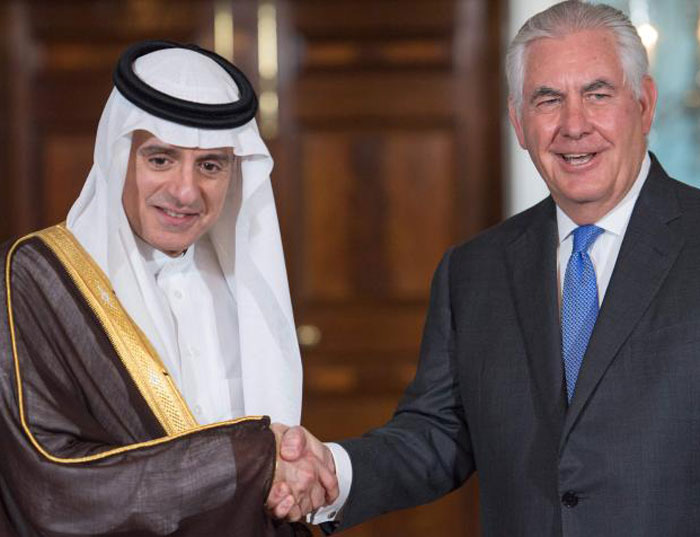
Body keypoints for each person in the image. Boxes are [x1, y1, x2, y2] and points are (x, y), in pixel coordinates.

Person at [270, 1, 700, 535]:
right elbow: (438, 435)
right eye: (548, 100)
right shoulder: (474, 271)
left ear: (645, 104)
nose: (573, 125)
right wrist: (334, 471)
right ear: (519, 123)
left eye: (597, 94)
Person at [0, 41, 336, 536]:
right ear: (119, 157)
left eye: (211, 165)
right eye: (160, 159)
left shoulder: (240, 286)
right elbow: (50, 481)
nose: (185, 191)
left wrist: (295, 475)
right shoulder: (33, 279)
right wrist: (254, 457)